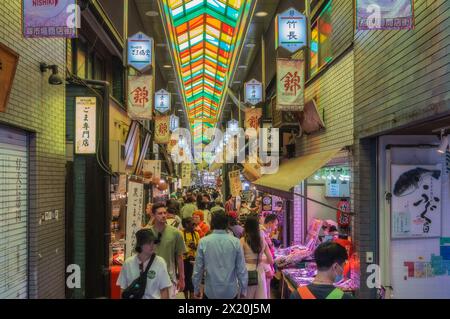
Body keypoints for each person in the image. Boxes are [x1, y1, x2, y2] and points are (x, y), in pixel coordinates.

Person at [192, 210, 248, 299]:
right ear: (227, 224)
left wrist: (196, 289)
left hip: (210, 290)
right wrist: (243, 290)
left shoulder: (203, 242)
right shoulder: (235, 242)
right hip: (231, 291)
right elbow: (241, 269)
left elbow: (198, 269)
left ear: (212, 223)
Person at [117, 229, 172, 299]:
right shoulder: (128, 263)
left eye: (153, 242)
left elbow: (164, 290)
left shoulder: (160, 262)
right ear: (140, 245)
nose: (152, 246)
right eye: (148, 243)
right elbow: (123, 289)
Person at [149, 202, 187, 299]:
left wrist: (182, 278)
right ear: (153, 215)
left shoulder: (176, 233)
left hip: (169, 277)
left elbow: (179, 257)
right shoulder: (147, 233)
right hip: (150, 277)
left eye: (165, 213)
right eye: (160, 213)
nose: (163, 215)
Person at [240, 216, 273, 299]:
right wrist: (260, 259)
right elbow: (271, 260)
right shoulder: (262, 240)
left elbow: (239, 260)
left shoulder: (242, 240)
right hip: (260, 271)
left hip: (246, 271)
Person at [181, 217, 200, 299]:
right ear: (186, 224)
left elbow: (199, 248)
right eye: (192, 224)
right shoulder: (181, 234)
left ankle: (192, 295)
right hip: (184, 260)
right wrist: (186, 250)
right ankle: (186, 296)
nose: (194, 226)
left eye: (195, 224)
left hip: (194, 260)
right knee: (186, 278)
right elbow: (179, 248)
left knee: (192, 279)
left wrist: (195, 247)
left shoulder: (196, 234)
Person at [260, 214, 278, 298]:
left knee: (266, 291)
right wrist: (267, 268)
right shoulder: (261, 233)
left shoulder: (265, 233)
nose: (276, 227)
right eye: (276, 224)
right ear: (270, 223)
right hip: (264, 267)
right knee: (265, 292)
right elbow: (261, 253)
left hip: (266, 266)